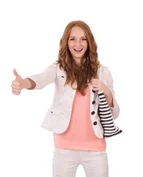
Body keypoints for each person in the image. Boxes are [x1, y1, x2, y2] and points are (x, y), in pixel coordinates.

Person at [11, 20, 120, 177]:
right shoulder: (58, 69)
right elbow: (41, 79)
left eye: (83, 39)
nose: (78, 44)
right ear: (66, 42)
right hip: (64, 149)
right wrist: (23, 83)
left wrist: (105, 90)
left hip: (95, 150)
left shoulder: (103, 72)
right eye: (72, 38)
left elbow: (115, 114)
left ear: (89, 42)